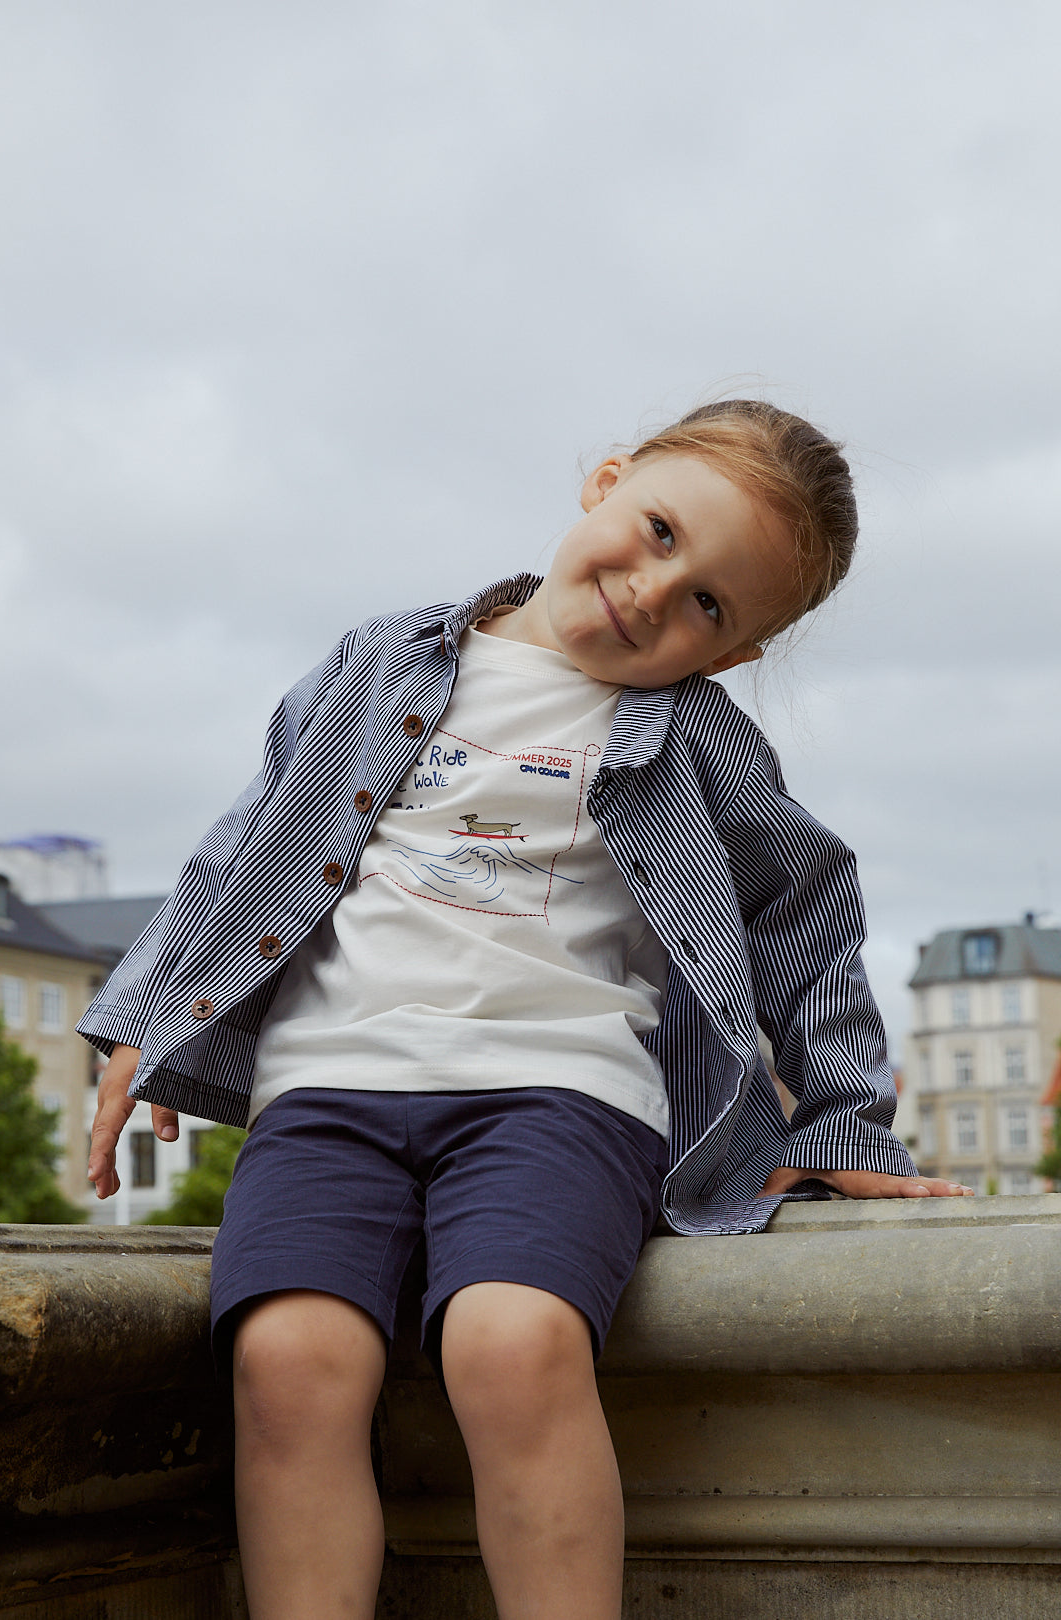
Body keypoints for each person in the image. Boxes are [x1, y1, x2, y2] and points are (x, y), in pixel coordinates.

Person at [82, 399, 971, 1620]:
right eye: (658, 531)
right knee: (288, 1365)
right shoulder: (380, 660)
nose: (657, 591)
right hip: (329, 1088)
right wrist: (145, 1017)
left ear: (732, 655)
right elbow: (249, 841)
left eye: (710, 602)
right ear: (604, 482)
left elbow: (807, 919)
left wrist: (843, 1125)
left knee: (513, 1345)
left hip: (558, 1097)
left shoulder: (696, 739)